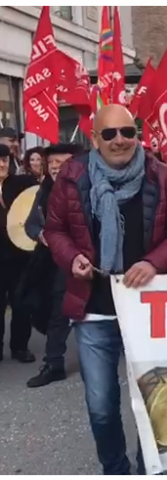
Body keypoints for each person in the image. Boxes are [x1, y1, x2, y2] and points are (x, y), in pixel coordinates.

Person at [44, 105, 167, 474]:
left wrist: (153, 263)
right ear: (94, 139)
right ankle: (115, 469)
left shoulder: (160, 176)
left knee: (154, 402)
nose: (120, 140)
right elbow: (54, 229)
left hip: (147, 311)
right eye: (109, 134)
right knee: (101, 404)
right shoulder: (72, 175)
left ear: (137, 134)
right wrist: (72, 259)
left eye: (127, 132)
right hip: (94, 310)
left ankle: (149, 468)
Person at [21, 143, 83, 387]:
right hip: (55, 263)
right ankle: (54, 363)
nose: (56, 168)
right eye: (52, 164)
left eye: (63, 163)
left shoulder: (92, 187)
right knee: (59, 310)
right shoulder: (44, 190)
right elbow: (30, 224)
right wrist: (41, 235)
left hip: (92, 260)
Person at [0, 143, 38, 362]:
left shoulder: (22, 183)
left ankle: (20, 347)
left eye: (4, 160)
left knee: (20, 302)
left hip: (19, 255)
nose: (1, 164)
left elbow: (39, 193)